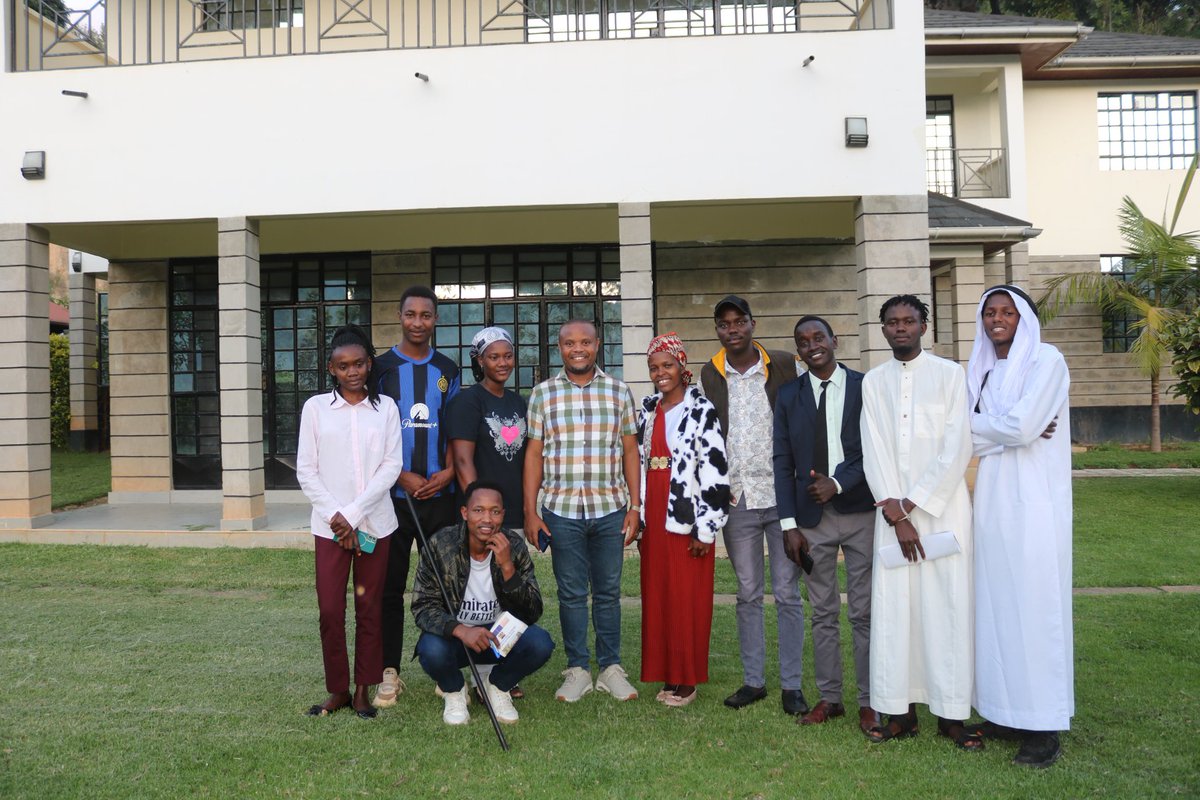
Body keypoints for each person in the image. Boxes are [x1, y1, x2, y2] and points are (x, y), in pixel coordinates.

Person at [859, 294, 979, 749]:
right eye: (892, 322)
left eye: (909, 321)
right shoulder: (874, 382)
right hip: (891, 516)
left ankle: (951, 716)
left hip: (943, 511)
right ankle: (900, 713)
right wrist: (894, 512)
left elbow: (957, 446)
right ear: (883, 330)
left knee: (947, 608)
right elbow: (874, 448)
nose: (900, 328)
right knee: (896, 611)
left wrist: (910, 504)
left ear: (924, 327)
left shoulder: (950, 375)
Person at [967, 285, 1074, 768]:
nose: (997, 319)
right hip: (991, 505)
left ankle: (1042, 726)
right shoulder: (982, 369)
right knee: (995, 608)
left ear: (1024, 318)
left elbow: (1022, 427)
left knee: (1034, 610)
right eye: (990, 312)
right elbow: (967, 435)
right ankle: (1004, 712)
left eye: (1007, 312)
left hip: (1035, 507)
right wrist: (1006, 429)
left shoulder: (1047, 362)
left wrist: (996, 427)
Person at [699, 295, 807, 716]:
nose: (732, 330)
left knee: (787, 592)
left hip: (783, 496)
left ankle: (792, 686)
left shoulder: (783, 364)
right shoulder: (710, 374)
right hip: (737, 498)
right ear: (717, 330)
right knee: (747, 592)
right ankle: (753, 681)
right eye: (724, 324)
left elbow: (805, 417)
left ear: (752, 324)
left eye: (739, 321)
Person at [524, 319, 641, 703]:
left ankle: (610, 668)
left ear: (597, 345)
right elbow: (534, 454)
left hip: (610, 508)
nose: (578, 349)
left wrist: (635, 506)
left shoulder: (619, 391)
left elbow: (629, 450)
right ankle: (577, 669)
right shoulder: (542, 394)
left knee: (608, 593)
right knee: (572, 593)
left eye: (585, 342)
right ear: (560, 348)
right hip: (561, 510)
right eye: (570, 343)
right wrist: (531, 512)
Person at [772, 315, 878, 733]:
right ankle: (831, 698)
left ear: (835, 341)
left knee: (865, 612)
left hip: (861, 512)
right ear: (798, 351)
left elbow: (876, 450)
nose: (812, 345)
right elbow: (782, 461)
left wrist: (838, 482)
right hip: (811, 520)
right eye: (803, 341)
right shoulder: (788, 395)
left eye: (819, 337)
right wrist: (788, 524)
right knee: (823, 612)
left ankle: (870, 701)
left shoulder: (865, 387)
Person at [295, 325, 404, 719]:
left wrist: (353, 515)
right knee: (329, 610)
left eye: (359, 363)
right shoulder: (315, 409)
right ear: (332, 369)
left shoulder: (386, 408)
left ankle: (362, 690)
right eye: (343, 366)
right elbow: (306, 470)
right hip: (329, 528)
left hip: (375, 525)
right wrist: (337, 518)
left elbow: (391, 466)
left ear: (369, 364)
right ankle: (338, 689)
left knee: (368, 608)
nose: (352, 371)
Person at [371, 285, 461, 708]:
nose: (418, 322)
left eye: (426, 315)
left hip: (440, 495)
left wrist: (448, 473)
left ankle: (443, 669)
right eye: (411, 314)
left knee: (442, 585)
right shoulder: (380, 368)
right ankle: (389, 670)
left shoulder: (447, 369)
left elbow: (455, 428)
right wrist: (398, 475)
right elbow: (370, 432)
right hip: (392, 497)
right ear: (400, 316)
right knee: (389, 587)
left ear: (436, 319)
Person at [636, 333, 730, 707]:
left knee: (687, 597)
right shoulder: (648, 411)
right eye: (653, 367)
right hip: (654, 512)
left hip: (686, 514)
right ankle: (669, 675)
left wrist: (705, 529)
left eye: (667, 365)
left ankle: (688, 680)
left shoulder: (701, 409)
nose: (660, 373)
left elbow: (715, 470)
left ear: (681, 366)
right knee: (660, 595)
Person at [412, 481, 555, 726]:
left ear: (503, 515)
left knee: (540, 643)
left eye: (494, 511)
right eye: (478, 510)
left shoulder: (513, 545)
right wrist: (461, 630)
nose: (487, 519)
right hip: (457, 639)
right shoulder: (440, 544)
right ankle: (454, 690)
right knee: (430, 650)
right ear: (465, 513)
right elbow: (423, 606)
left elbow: (532, 611)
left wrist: (507, 567)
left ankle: (498, 686)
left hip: (498, 639)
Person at [445, 325, 529, 700]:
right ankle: (469, 670)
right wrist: (481, 517)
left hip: (512, 516)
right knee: (476, 594)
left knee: (506, 594)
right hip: (483, 518)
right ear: (479, 361)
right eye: (493, 357)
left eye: (507, 355)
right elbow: (463, 461)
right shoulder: (468, 402)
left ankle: (499, 672)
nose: (502, 363)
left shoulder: (519, 403)